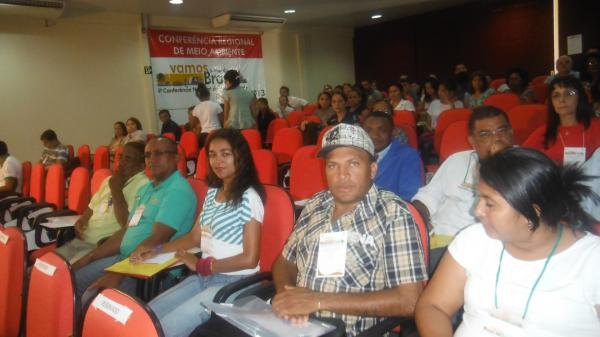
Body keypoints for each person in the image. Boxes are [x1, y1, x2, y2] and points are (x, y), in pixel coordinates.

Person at [415, 147, 600, 337]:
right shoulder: (474, 239)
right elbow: (433, 306)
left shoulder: (592, 261)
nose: (477, 211)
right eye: (480, 198)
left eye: (490, 203)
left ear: (532, 213)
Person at [271, 123, 427, 337]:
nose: (342, 175)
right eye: (332, 165)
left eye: (353, 164)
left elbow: (410, 300)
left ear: (372, 169)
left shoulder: (393, 213)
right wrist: (287, 295)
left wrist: (317, 301)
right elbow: (285, 261)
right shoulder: (316, 204)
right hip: (295, 326)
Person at [143, 129, 265, 337]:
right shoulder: (212, 194)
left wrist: (203, 265)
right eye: (212, 154)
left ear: (240, 156)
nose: (218, 161)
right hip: (205, 276)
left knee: (165, 329)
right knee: (147, 315)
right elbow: (194, 237)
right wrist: (157, 250)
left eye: (225, 154)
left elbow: (250, 259)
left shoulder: (249, 197)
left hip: (235, 282)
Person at [74, 137, 196, 305]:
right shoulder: (146, 189)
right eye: (147, 155)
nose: (152, 159)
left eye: (159, 153)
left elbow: (158, 239)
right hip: (125, 260)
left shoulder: (177, 190)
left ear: (175, 158)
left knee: (95, 301)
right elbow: (127, 230)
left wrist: (118, 274)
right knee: (73, 279)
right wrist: (89, 258)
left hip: (152, 270)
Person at [412, 106, 514, 269]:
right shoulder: (456, 161)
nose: (496, 139)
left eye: (502, 130)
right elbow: (427, 198)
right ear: (472, 141)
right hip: (445, 242)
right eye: (485, 134)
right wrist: (412, 222)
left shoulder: (529, 165)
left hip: (497, 246)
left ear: (511, 133)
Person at [56, 142, 149, 263]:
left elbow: (127, 225)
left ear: (141, 166)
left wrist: (116, 189)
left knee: (59, 273)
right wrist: (81, 221)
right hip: (81, 242)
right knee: (43, 266)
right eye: (120, 157)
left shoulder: (144, 185)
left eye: (128, 159)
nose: (120, 162)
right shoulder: (109, 180)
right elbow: (92, 207)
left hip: (101, 247)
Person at [523, 76, 600, 165]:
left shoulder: (597, 126)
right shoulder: (544, 132)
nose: (562, 100)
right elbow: (521, 160)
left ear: (580, 97)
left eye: (568, 94)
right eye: (556, 95)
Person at [363, 111, 422, 200]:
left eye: (382, 130)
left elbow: (409, 196)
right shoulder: (356, 154)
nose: (374, 136)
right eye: (368, 130)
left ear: (393, 132)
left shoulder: (408, 156)